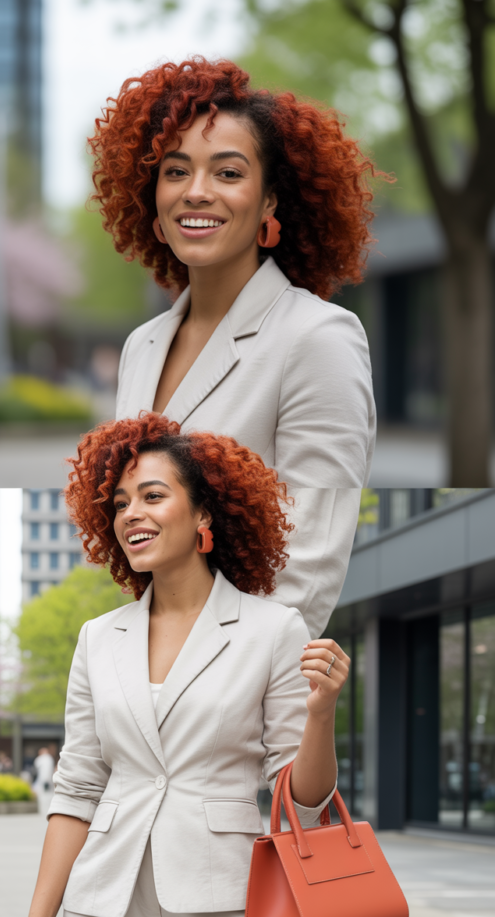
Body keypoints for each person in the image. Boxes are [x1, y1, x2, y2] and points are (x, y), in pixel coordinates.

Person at [9, 414, 350, 917]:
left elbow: (300, 800)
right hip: (107, 907)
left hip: (235, 898)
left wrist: (320, 714)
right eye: (118, 504)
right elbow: (78, 786)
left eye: (153, 496)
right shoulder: (98, 639)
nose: (131, 513)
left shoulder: (273, 630)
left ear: (204, 517)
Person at [88, 56, 381, 638]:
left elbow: (310, 564)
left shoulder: (318, 337)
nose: (196, 193)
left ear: (270, 201)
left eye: (227, 173)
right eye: (175, 171)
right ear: (151, 198)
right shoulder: (141, 347)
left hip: (245, 687)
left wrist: (212, 676)